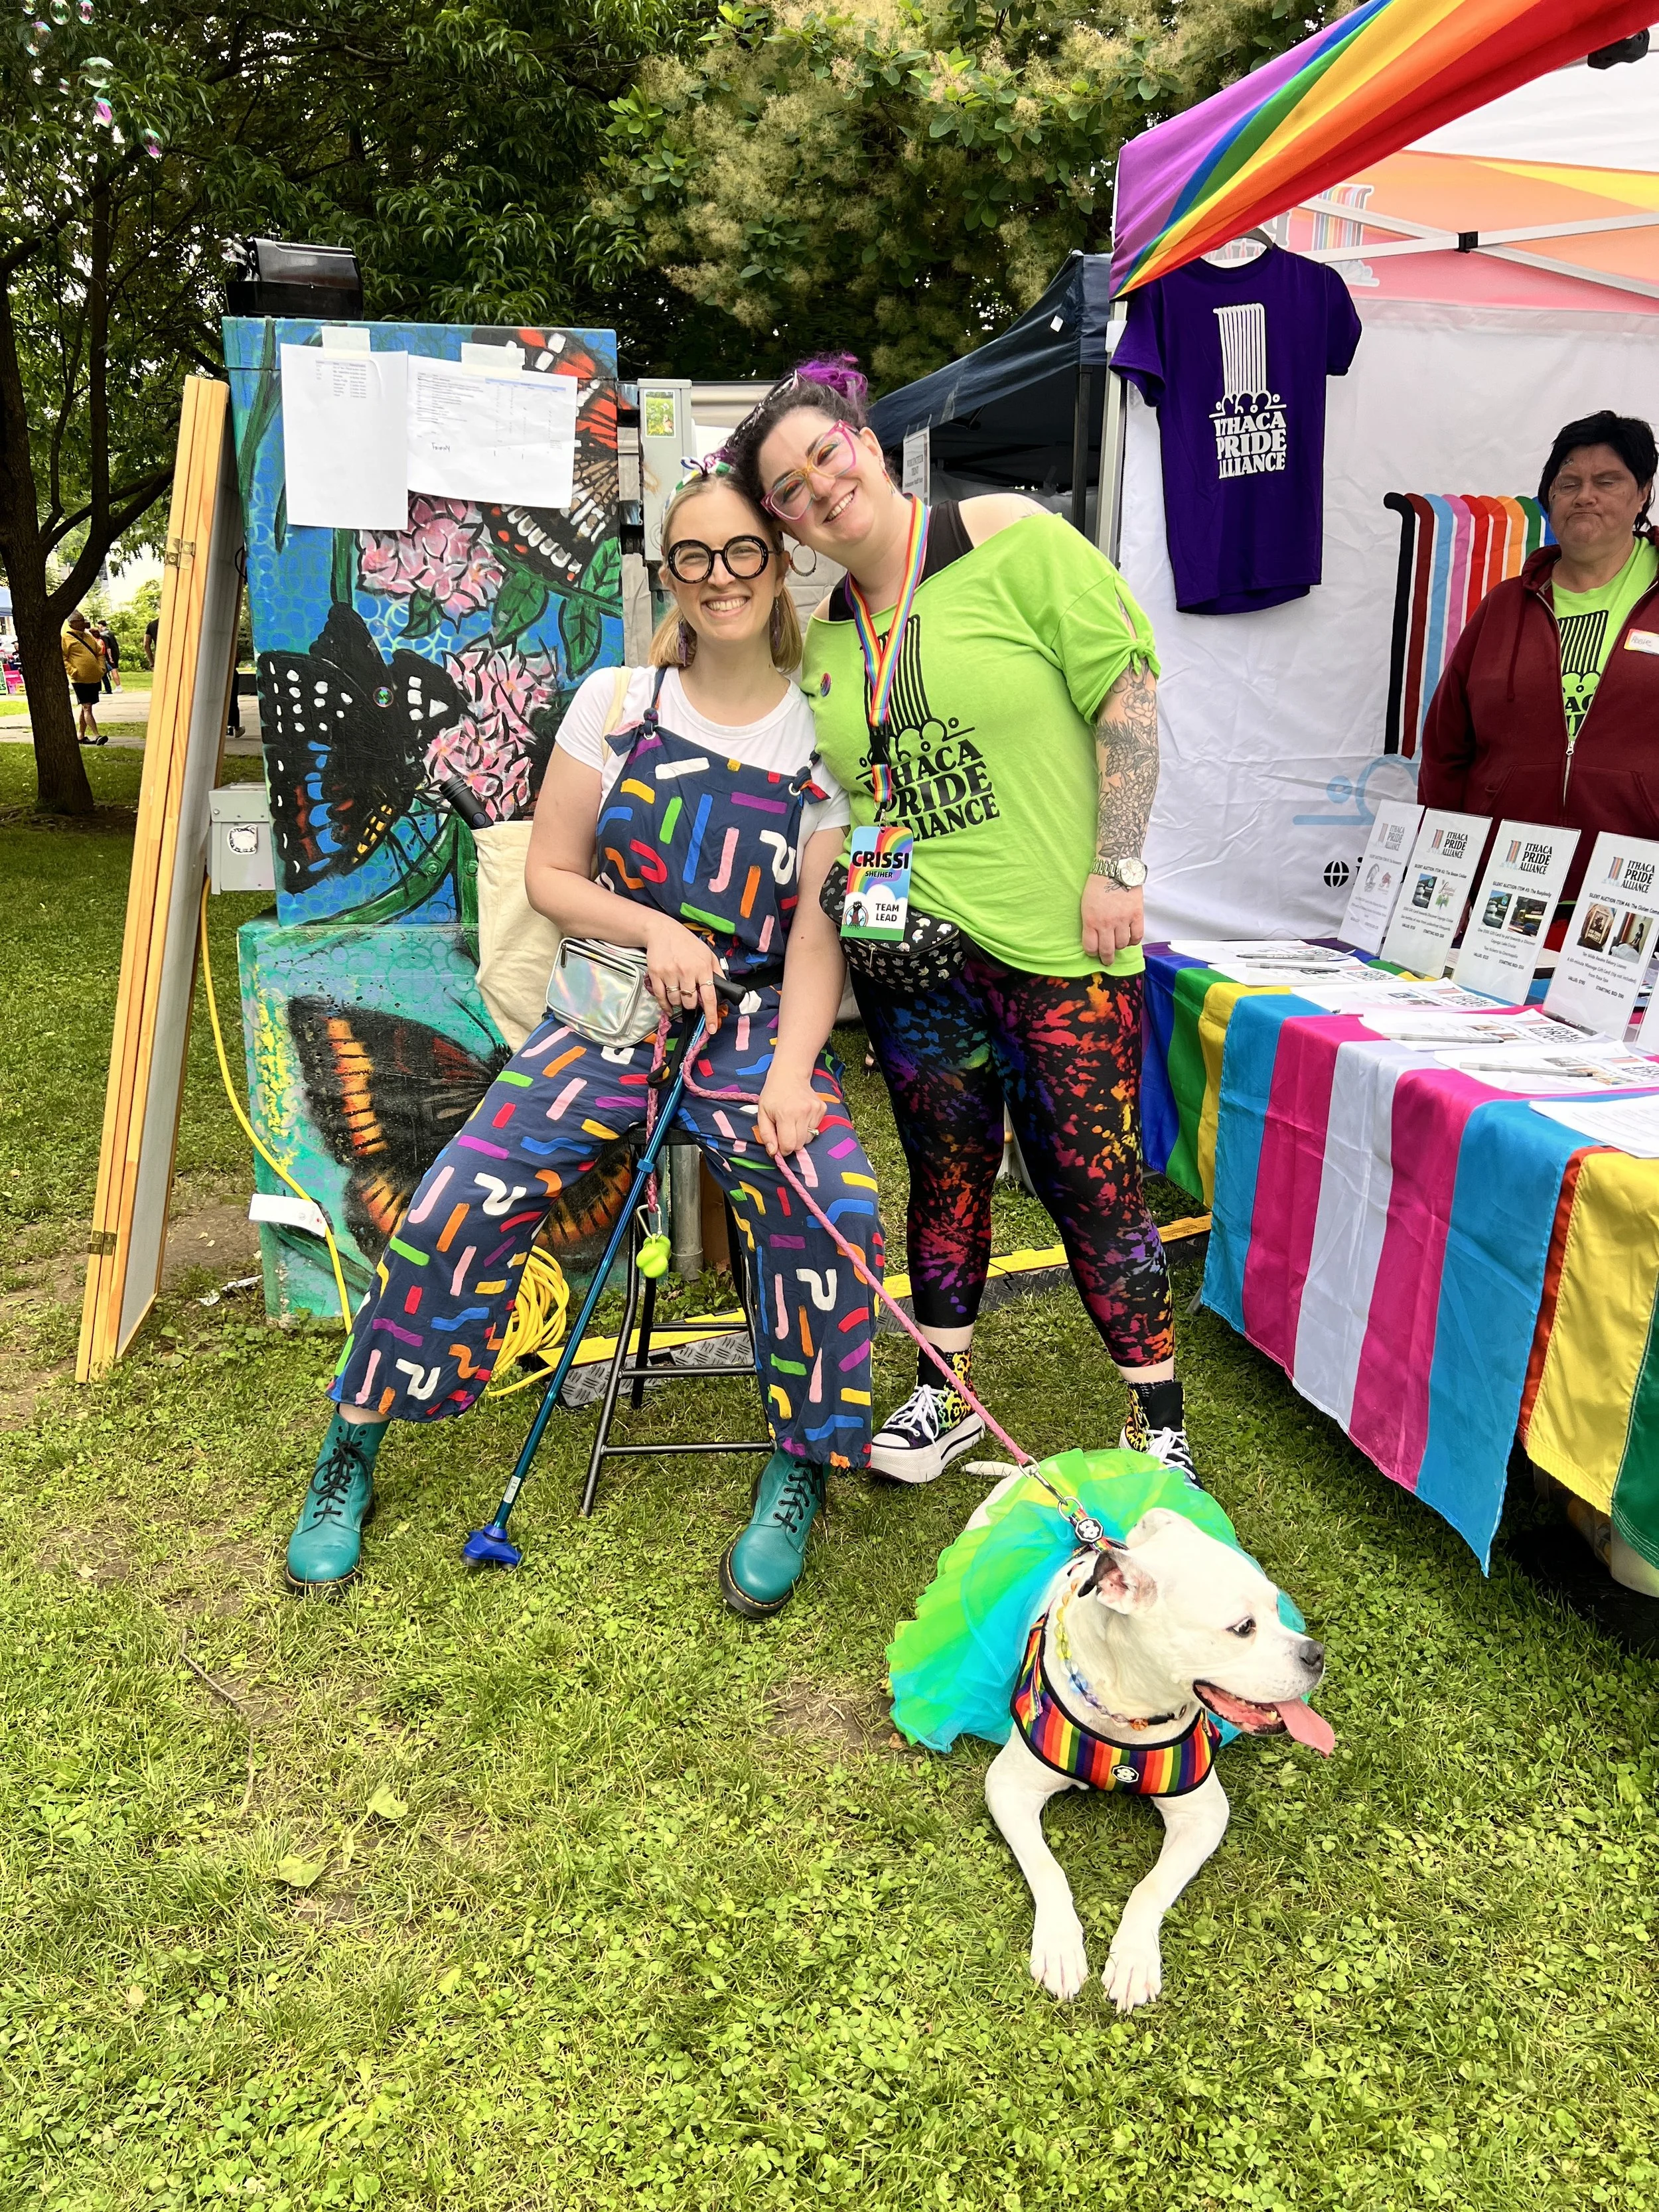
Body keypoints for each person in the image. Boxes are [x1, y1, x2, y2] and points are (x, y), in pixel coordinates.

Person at [283, 465, 883, 1619]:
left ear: (781, 564)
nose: (720, 577)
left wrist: (799, 1073)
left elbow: (820, 931)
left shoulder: (825, 730)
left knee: (832, 1198)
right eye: (694, 556)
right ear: (670, 572)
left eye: (743, 552)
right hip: (607, 1009)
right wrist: (656, 926)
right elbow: (555, 876)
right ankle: (352, 1442)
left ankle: (799, 1461)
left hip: (754, 1023)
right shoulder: (618, 701)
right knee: (457, 1192)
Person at [725, 360, 1192, 1488]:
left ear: (866, 443)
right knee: (944, 1172)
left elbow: (1124, 690)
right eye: (788, 489)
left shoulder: (1007, 541)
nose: (819, 489)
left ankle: (1160, 1422)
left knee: (1094, 1178)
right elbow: (850, 807)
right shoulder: (825, 640)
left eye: (824, 456)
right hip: (917, 961)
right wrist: (844, 906)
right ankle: (947, 1393)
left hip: (1061, 943)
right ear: (784, 523)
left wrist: (1117, 862)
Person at [1420, 409, 1659, 899]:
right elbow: (1446, 750)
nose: (1585, 496)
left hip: (1636, 902)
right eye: (1567, 483)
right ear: (1550, 499)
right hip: (1502, 897)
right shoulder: (1504, 606)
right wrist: (1444, 878)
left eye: (1607, 481)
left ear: (1643, 494)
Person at [62, 611, 106, 744]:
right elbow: (63, 658)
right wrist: (73, 671)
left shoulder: (88, 637)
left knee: (86, 707)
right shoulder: (65, 638)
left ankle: (80, 735)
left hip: (94, 677)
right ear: (73, 623)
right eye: (81, 620)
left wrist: (101, 668)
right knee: (87, 707)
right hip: (80, 679)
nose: (84, 622)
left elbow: (99, 653)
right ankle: (97, 735)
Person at [96, 620, 121, 693]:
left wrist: (110, 657)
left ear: (101, 625)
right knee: (114, 669)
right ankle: (118, 686)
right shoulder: (111, 633)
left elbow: (108, 647)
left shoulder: (103, 635)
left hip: (110, 655)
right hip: (116, 652)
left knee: (113, 670)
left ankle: (118, 687)